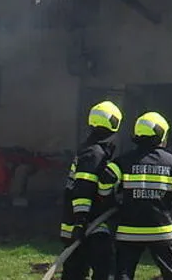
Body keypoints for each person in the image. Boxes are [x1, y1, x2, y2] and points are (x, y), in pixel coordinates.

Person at [109, 111, 172, 280]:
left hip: (128, 230)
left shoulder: (122, 161)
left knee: (123, 274)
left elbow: (106, 187)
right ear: (161, 134)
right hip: (161, 229)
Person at [60, 100, 122, 280]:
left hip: (80, 222)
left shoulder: (91, 149)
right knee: (104, 268)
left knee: (75, 271)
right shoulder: (94, 153)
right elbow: (83, 189)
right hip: (88, 224)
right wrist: (81, 221)